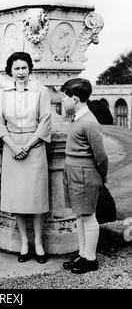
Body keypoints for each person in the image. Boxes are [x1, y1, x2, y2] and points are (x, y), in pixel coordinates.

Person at [0, 52, 51, 263]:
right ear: (10, 71)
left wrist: (26, 146)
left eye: (24, 68)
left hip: (34, 148)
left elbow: (45, 121)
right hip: (11, 148)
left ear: (30, 69)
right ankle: (25, 243)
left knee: (36, 197)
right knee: (17, 198)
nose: (20, 72)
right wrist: (12, 145)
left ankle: (38, 243)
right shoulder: (4, 92)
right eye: (16, 68)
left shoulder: (41, 91)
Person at [61, 78, 109, 274]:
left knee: (88, 217)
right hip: (73, 171)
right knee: (80, 216)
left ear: (74, 99)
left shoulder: (89, 122)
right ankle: (83, 254)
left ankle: (91, 259)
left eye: (64, 97)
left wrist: (102, 176)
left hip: (84, 174)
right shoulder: (77, 118)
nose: (62, 101)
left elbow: (102, 156)